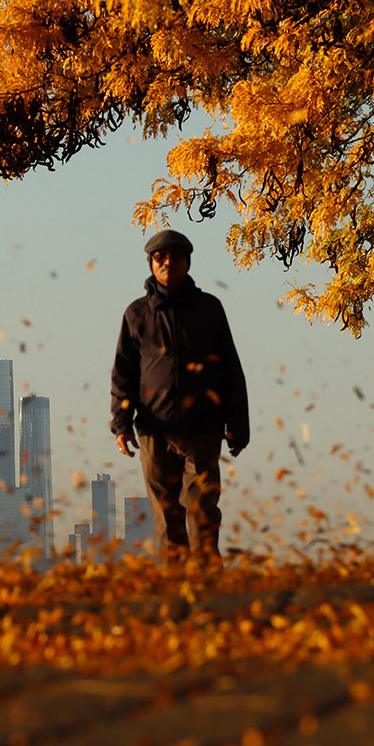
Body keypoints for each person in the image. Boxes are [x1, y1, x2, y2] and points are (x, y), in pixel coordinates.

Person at [111, 229, 249, 564]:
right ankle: (174, 590)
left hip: (203, 427)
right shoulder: (136, 314)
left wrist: (238, 425)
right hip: (153, 430)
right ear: (151, 263)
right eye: (161, 257)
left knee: (202, 509)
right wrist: (120, 424)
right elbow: (123, 372)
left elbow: (230, 367)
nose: (168, 262)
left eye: (175, 256)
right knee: (165, 516)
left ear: (188, 261)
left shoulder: (209, 308)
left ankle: (207, 585)